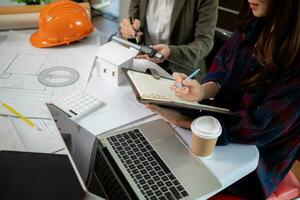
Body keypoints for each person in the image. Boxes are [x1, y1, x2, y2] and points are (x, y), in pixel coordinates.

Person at [146, 0, 300, 198]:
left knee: (170, 181)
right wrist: (202, 91)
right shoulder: (253, 23)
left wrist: (186, 120)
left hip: (255, 163)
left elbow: (261, 126)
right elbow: (224, 68)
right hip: (218, 129)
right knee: (157, 158)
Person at [119, 0, 218, 81]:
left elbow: (204, 42)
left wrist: (171, 52)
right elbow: (136, 24)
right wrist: (130, 31)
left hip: (182, 72)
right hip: (145, 63)